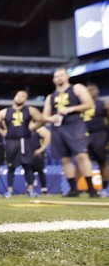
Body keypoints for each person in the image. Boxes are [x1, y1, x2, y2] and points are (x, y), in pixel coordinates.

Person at [42, 67, 99, 198]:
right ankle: (73, 189)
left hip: (74, 123)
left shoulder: (77, 88)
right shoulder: (51, 96)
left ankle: (91, 189)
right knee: (65, 159)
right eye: (56, 76)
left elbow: (90, 104)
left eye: (61, 75)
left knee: (81, 155)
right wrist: (51, 118)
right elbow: (44, 116)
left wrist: (70, 109)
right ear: (53, 80)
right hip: (58, 127)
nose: (59, 78)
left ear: (67, 76)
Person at [0, 90, 44, 198]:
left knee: (28, 166)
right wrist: (2, 131)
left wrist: (34, 127)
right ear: (14, 97)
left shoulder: (30, 110)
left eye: (23, 96)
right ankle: (9, 191)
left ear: (25, 99)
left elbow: (41, 119)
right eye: (18, 95)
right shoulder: (5, 111)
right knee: (11, 166)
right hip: (10, 141)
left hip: (25, 140)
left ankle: (30, 190)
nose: (20, 97)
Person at [80, 82, 109, 197]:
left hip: (100, 135)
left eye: (93, 90)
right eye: (89, 90)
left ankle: (104, 188)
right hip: (84, 135)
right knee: (82, 160)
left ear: (97, 92)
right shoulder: (81, 105)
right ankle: (83, 188)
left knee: (103, 162)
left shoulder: (103, 104)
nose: (91, 92)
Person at [30, 123, 51, 194]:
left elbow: (48, 135)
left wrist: (41, 149)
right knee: (29, 171)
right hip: (28, 153)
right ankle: (30, 189)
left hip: (38, 153)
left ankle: (44, 189)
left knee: (40, 170)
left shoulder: (39, 128)